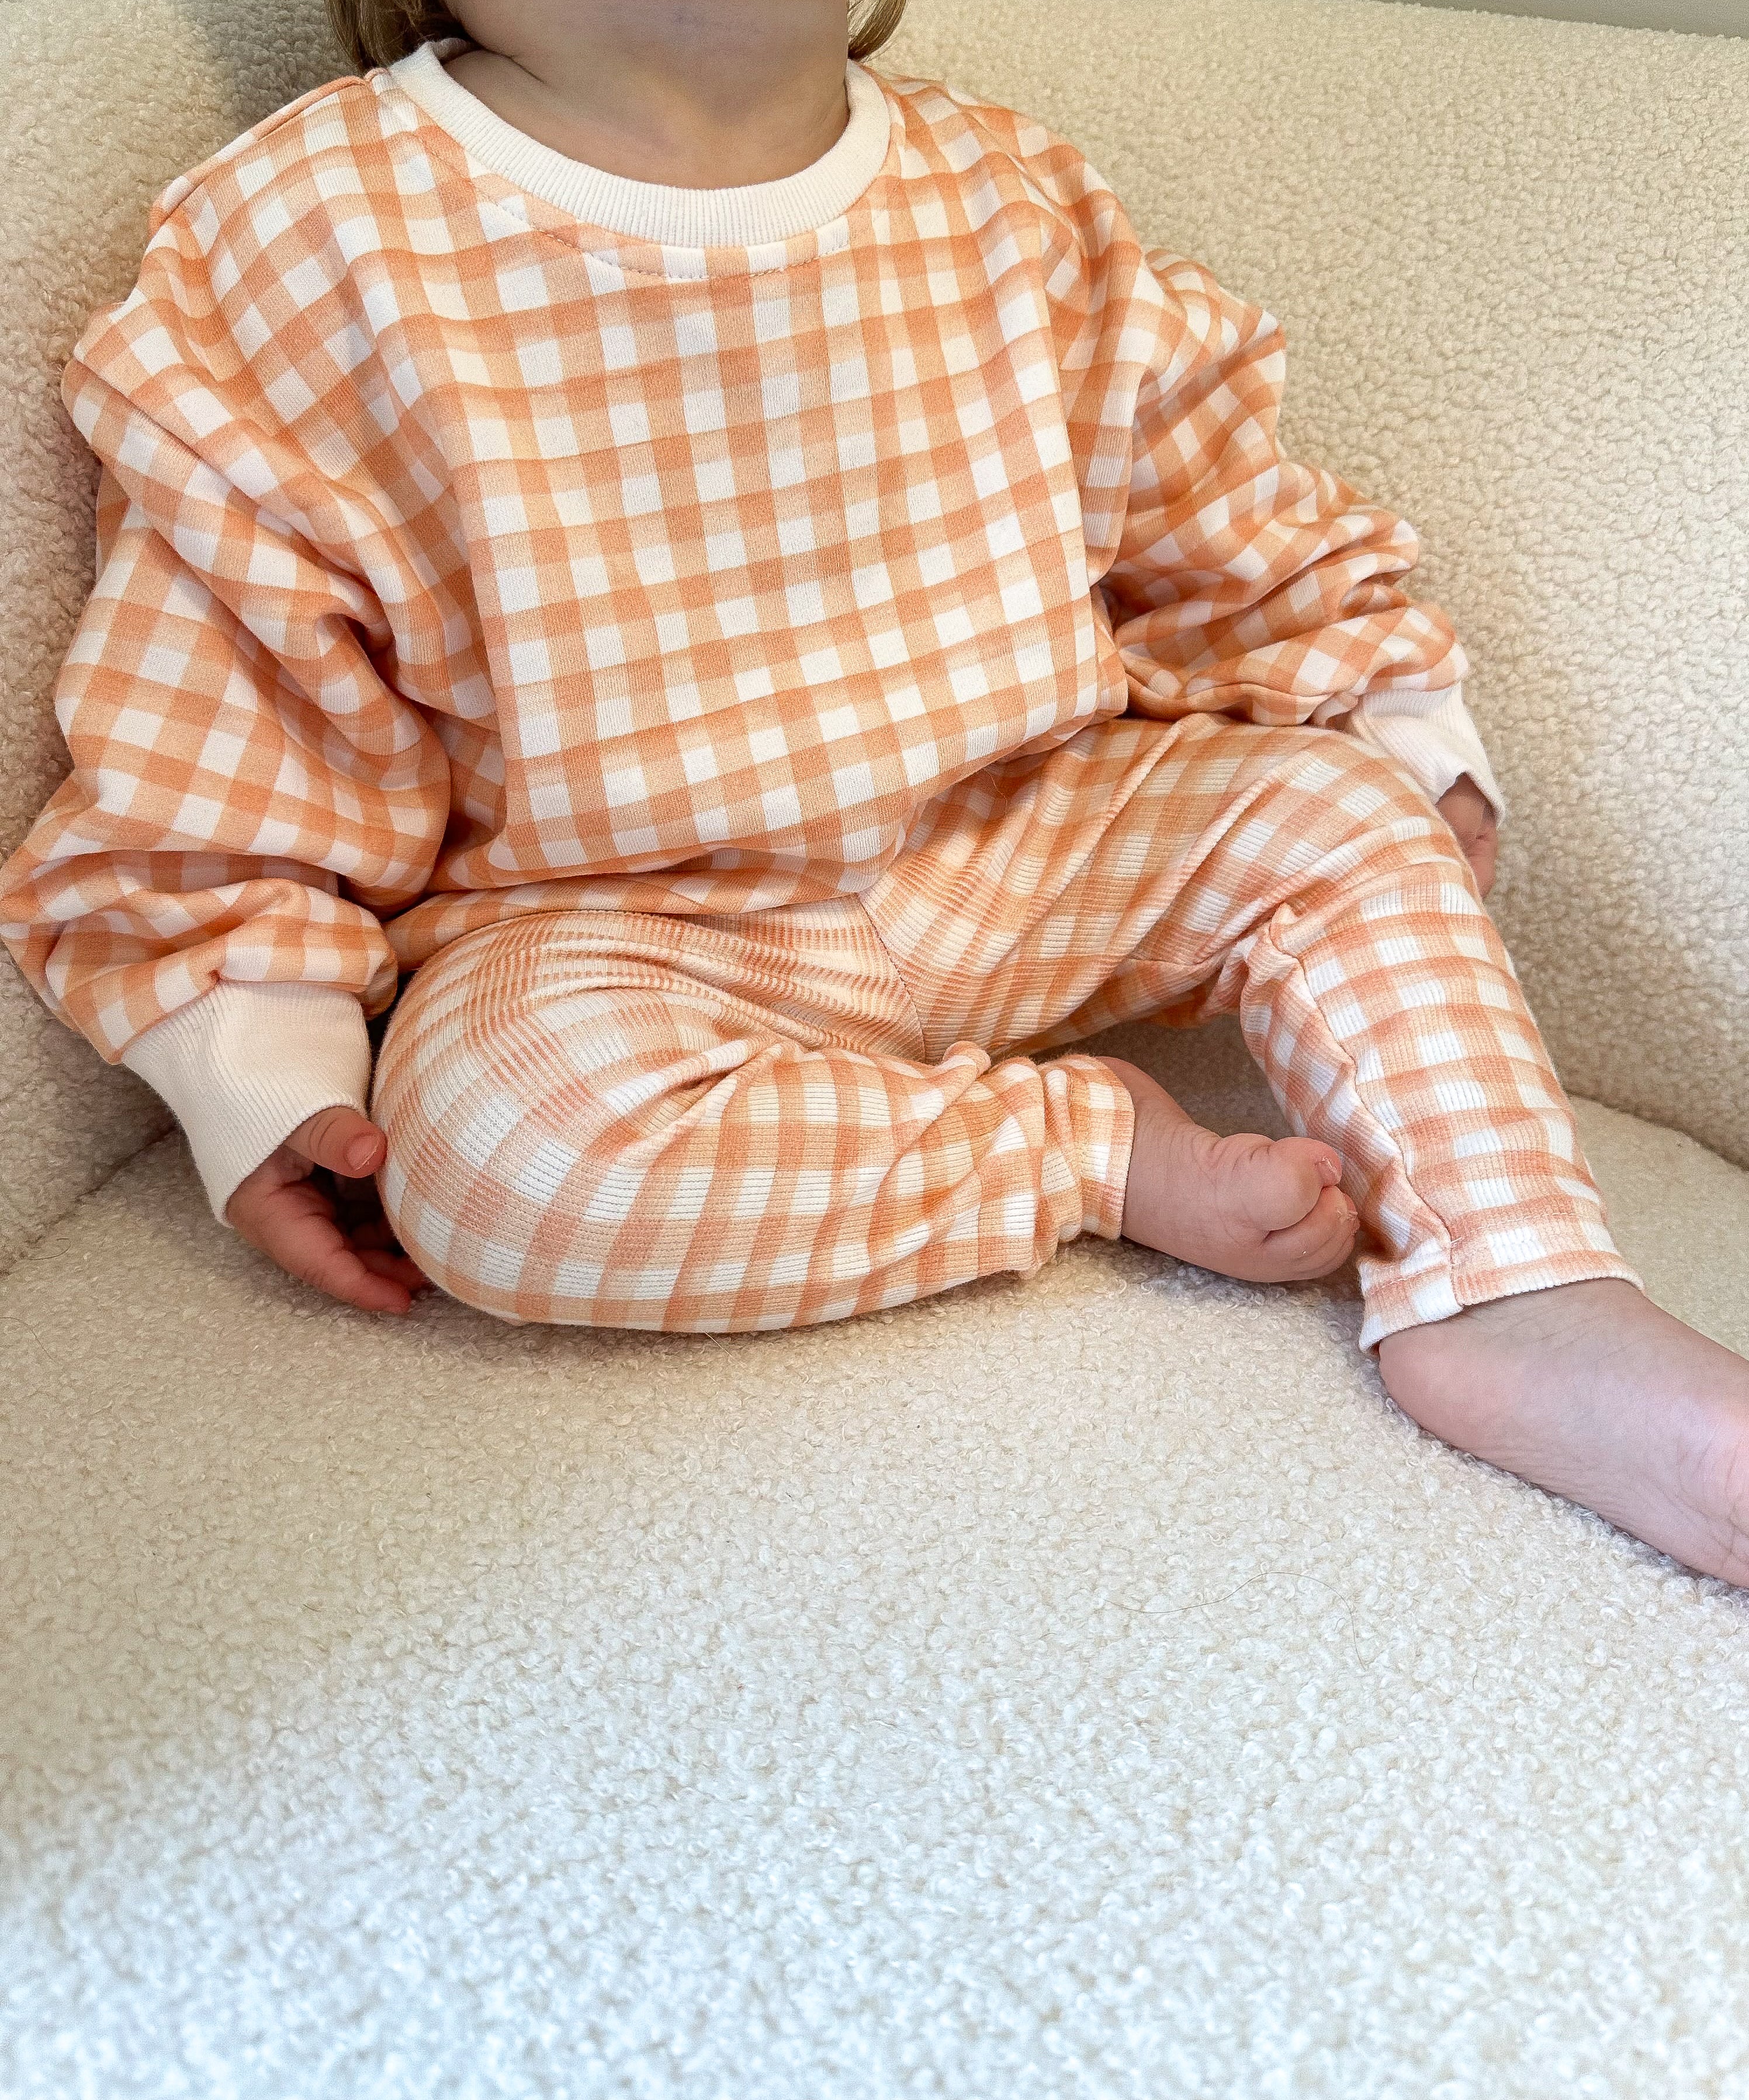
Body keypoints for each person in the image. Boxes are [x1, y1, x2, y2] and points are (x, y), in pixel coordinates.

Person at [4, 0, 1747, 1584]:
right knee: (489, 1153)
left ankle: (1517, 1288)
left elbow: (1214, 517)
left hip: (1027, 840)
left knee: (1332, 815)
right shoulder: (308, 233)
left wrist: (1384, 712)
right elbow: (230, 679)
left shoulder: (1004, 193)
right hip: (629, 934)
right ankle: (1079, 1148)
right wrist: (260, 1050)